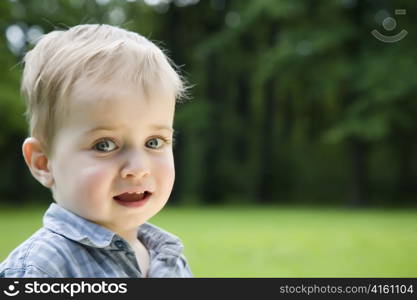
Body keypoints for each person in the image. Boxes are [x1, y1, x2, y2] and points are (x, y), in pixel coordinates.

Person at [0, 24, 192, 278]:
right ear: (43, 163)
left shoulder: (167, 258)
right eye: (105, 145)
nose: (138, 168)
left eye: (154, 142)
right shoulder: (43, 269)